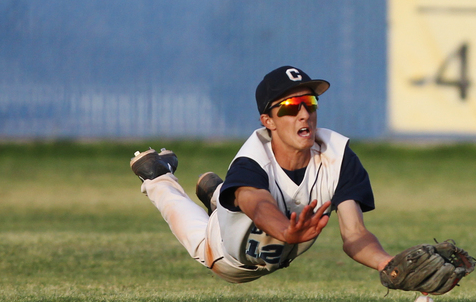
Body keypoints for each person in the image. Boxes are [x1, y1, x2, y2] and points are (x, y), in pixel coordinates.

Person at [130, 66, 394, 284]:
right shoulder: (251, 162)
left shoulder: (338, 156)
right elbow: (257, 204)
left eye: (310, 103)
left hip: (264, 230)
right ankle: (157, 176)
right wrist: (285, 232)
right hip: (231, 258)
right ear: (268, 121)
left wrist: (388, 264)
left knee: (231, 197)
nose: (304, 114)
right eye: (291, 107)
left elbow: (355, 234)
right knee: (191, 224)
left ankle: (219, 197)